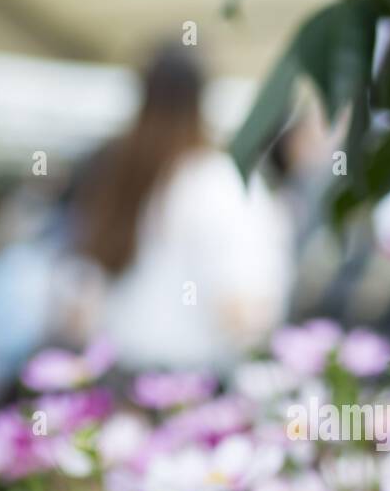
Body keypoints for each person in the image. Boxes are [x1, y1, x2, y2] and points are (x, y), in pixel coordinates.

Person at [73, 47, 290, 373]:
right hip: (188, 389)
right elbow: (246, 312)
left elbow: (79, 309)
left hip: (117, 380)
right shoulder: (220, 182)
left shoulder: (115, 176)